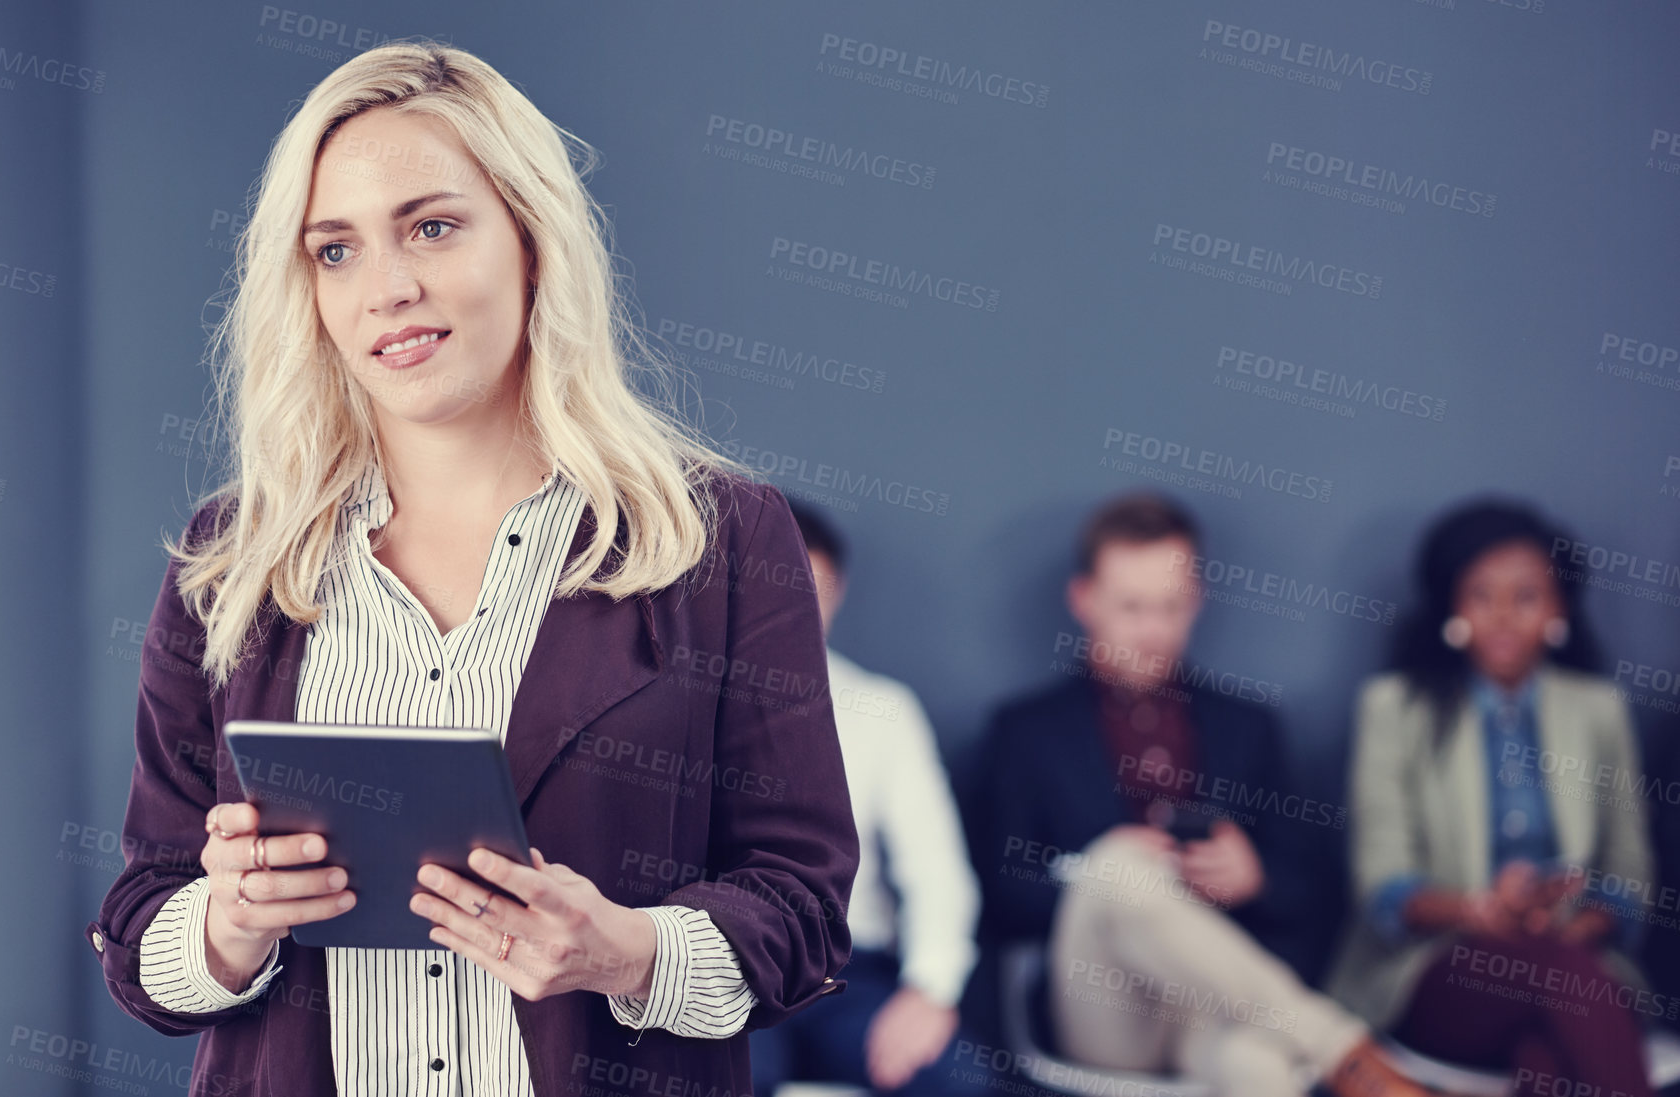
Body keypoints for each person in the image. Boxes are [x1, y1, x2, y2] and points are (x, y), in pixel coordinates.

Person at [83, 39, 856, 1097]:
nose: (388, 287)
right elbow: (139, 935)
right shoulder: (231, 559)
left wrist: (628, 950)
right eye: (335, 249)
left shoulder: (719, 538)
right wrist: (227, 922)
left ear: (532, 239)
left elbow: (805, 911)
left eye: (432, 227)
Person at [974, 492, 1426, 1097]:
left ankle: (1345, 1061)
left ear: (1198, 601)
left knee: (1259, 1071)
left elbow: (1314, 888)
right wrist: (1101, 868)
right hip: (1104, 1004)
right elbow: (1002, 893)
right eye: (1132, 607)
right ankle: (1352, 1058)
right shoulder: (1026, 730)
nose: (1154, 630)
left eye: (1172, 607)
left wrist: (1254, 875)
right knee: (1119, 868)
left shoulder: (1246, 724)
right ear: (1084, 601)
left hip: (1221, 1001)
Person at [1326, 499, 1657, 1096]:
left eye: (1526, 596)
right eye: (1482, 594)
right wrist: (1478, 910)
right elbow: (1382, 885)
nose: (1503, 616)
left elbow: (1630, 876)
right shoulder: (1395, 708)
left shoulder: (1597, 711)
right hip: (1440, 966)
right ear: (1452, 606)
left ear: (1557, 610)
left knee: (1545, 1062)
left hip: (1572, 957)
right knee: (1558, 977)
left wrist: (1579, 920)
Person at [749, 501, 983, 1096]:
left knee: (955, 1078)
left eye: (812, 591)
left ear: (839, 591)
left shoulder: (884, 710)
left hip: (846, 974)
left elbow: (937, 873)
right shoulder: (684, 701)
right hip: (727, 966)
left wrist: (929, 990)